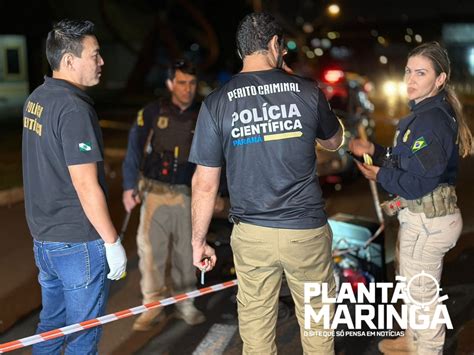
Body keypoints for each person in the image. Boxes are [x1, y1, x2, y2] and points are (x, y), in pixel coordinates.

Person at [189, 12, 344, 354]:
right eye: (282, 48)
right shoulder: (307, 91)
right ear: (275, 45)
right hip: (305, 231)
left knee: (257, 334)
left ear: (242, 50)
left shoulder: (216, 103)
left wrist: (198, 241)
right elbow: (334, 142)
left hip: (252, 234)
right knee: (318, 327)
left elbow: (204, 183)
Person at [349, 41, 472, 355]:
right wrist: (375, 151)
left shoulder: (431, 121)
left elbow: (419, 182)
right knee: (409, 285)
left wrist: (380, 175)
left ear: (440, 79)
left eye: (421, 73)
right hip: (420, 219)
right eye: (408, 71)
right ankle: (411, 339)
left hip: (429, 222)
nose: (411, 79)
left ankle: (427, 348)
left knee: (422, 294)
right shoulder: (423, 115)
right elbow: (406, 160)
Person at [22, 19, 127, 354]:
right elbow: (86, 185)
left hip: (45, 240)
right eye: (94, 55)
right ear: (69, 61)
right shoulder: (73, 108)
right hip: (77, 242)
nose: (101, 62)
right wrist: (112, 242)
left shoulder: (38, 98)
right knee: (83, 334)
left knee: (50, 327)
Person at [122, 59, 205, 331]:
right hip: (154, 193)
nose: (187, 89)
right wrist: (128, 186)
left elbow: (216, 158)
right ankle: (152, 306)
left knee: (185, 253)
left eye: (192, 83)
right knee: (151, 253)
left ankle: (185, 304)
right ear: (170, 83)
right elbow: (133, 149)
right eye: (182, 82)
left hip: (186, 196)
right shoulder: (151, 112)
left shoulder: (203, 114)